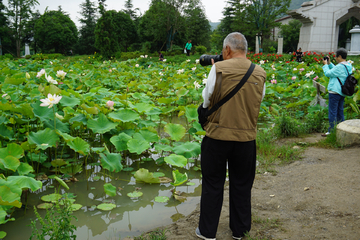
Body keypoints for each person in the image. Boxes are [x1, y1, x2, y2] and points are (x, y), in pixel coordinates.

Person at [195, 32, 266, 240]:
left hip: (217, 136)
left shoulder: (218, 68)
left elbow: (207, 100)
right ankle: (240, 231)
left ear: (227, 50)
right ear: (245, 50)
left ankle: (207, 232)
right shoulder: (260, 72)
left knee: (213, 183)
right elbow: (258, 102)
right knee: (242, 184)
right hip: (246, 139)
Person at [321, 48, 352, 136]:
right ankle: (342, 129)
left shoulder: (339, 67)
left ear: (340, 56)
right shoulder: (348, 65)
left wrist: (325, 65)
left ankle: (331, 131)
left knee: (332, 112)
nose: (335, 58)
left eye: (336, 56)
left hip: (335, 91)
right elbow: (336, 70)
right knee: (340, 111)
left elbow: (328, 73)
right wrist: (330, 63)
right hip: (342, 91)